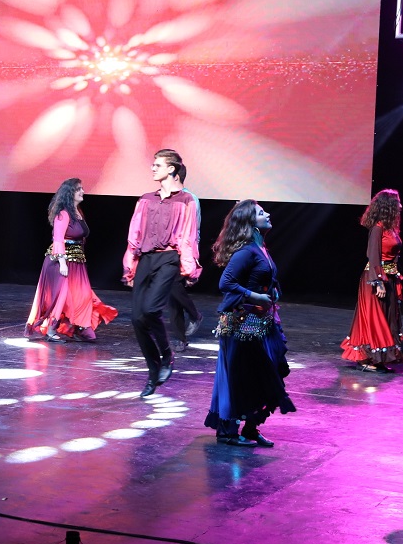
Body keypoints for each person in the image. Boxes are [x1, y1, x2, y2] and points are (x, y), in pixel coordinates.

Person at [204, 199, 294, 447]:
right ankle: (228, 432)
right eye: (261, 213)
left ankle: (252, 428)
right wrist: (255, 296)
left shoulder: (260, 247)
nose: (268, 214)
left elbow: (264, 277)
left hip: (262, 321)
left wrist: (273, 291)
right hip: (242, 323)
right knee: (242, 377)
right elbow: (226, 283)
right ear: (250, 223)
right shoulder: (246, 251)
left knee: (269, 373)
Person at [122, 149, 201, 397]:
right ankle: (153, 369)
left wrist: (189, 268)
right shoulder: (146, 199)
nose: (153, 168)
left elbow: (188, 235)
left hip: (169, 258)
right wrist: (130, 265)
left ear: (171, 169)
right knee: (137, 318)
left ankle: (167, 354)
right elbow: (134, 233)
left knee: (151, 310)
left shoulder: (186, 200)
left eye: (157, 165)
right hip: (146, 258)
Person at [25, 177, 118, 342]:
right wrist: (62, 262)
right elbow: (58, 238)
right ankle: (51, 329)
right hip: (61, 261)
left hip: (77, 262)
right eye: (79, 189)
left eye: (82, 188)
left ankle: (77, 327)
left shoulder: (78, 213)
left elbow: (81, 239)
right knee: (62, 296)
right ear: (70, 193)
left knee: (83, 295)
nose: (83, 191)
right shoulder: (63, 214)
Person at [341, 188, 403, 373]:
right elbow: (373, 256)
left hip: (389, 278)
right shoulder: (378, 228)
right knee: (373, 317)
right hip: (376, 280)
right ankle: (366, 357)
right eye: (397, 202)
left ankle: (378, 358)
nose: (401, 205)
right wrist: (378, 281)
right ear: (388, 206)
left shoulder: (391, 228)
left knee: (386, 317)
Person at [168, 167, 203, 350]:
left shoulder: (190, 198)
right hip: (165, 250)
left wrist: (191, 257)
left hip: (182, 250)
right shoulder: (163, 197)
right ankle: (180, 338)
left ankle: (194, 314)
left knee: (173, 286)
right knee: (172, 295)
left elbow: (194, 229)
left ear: (175, 176)